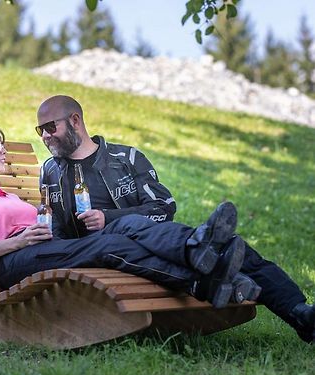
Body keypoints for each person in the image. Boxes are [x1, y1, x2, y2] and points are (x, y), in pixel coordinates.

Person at [37, 95, 315, 344]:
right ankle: (200, 248)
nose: (45, 137)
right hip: (102, 253)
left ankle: (299, 312)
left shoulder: (126, 158)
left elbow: (164, 207)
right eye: (41, 131)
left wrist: (108, 216)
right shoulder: (50, 171)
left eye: (50, 127)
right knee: (133, 228)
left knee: (232, 248)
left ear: (75, 120)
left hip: (153, 243)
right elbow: (57, 229)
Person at [0, 125, 249, 310]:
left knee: (120, 232)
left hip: (41, 252)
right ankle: (201, 278)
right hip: (11, 264)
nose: (4, 150)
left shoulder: (6, 196)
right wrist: (18, 241)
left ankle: (200, 258)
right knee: (107, 246)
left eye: (3, 144)